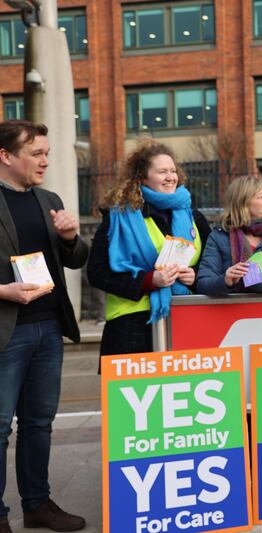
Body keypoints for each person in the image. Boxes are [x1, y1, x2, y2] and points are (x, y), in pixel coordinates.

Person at [0, 120, 88, 532]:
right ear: (6, 156)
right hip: (7, 330)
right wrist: (4, 291)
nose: (45, 161)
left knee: (39, 423)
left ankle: (37, 504)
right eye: (36, 153)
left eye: (47, 153)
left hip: (48, 327)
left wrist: (71, 237)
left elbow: (74, 259)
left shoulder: (48, 198)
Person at [88, 140, 211, 357]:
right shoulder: (118, 217)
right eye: (162, 171)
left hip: (186, 316)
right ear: (142, 178)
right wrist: (149, 281)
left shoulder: (193, 216)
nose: (171, 177)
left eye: (173, 171)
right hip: (131, 327)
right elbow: (97, 274)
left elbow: (213, 264)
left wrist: (197, 276)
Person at [196, 175, 262, 295]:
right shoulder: (219, 236)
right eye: (261, 197)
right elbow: (203, 283)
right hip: (234, 312)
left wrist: (256, 281)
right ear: (243, 202)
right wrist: (226, 280)